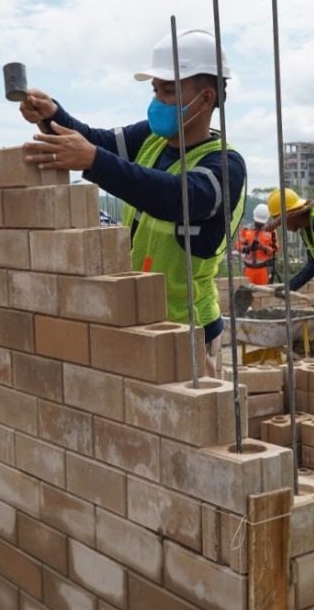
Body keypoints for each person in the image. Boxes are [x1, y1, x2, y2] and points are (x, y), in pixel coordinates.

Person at [18, 29, 245, 377]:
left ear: (205, 98)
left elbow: (176, 197)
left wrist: (94, 161)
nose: (158, 101)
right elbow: (99, 143)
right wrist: (52, 116)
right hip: (143, 321)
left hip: (190, 330)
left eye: (169, 91)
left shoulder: (225, 165)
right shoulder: (151, 139)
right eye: (155, 90)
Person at [235, 205, 276, 286]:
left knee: (264, 294)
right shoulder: (245, 229)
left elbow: (275, 250)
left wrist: (262, 247)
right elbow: (237, 246)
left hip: (264, 270)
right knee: (247, 294)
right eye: (258, 221)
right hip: (248, 269)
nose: (259, 223)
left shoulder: (271, 231)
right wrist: (248, 248)